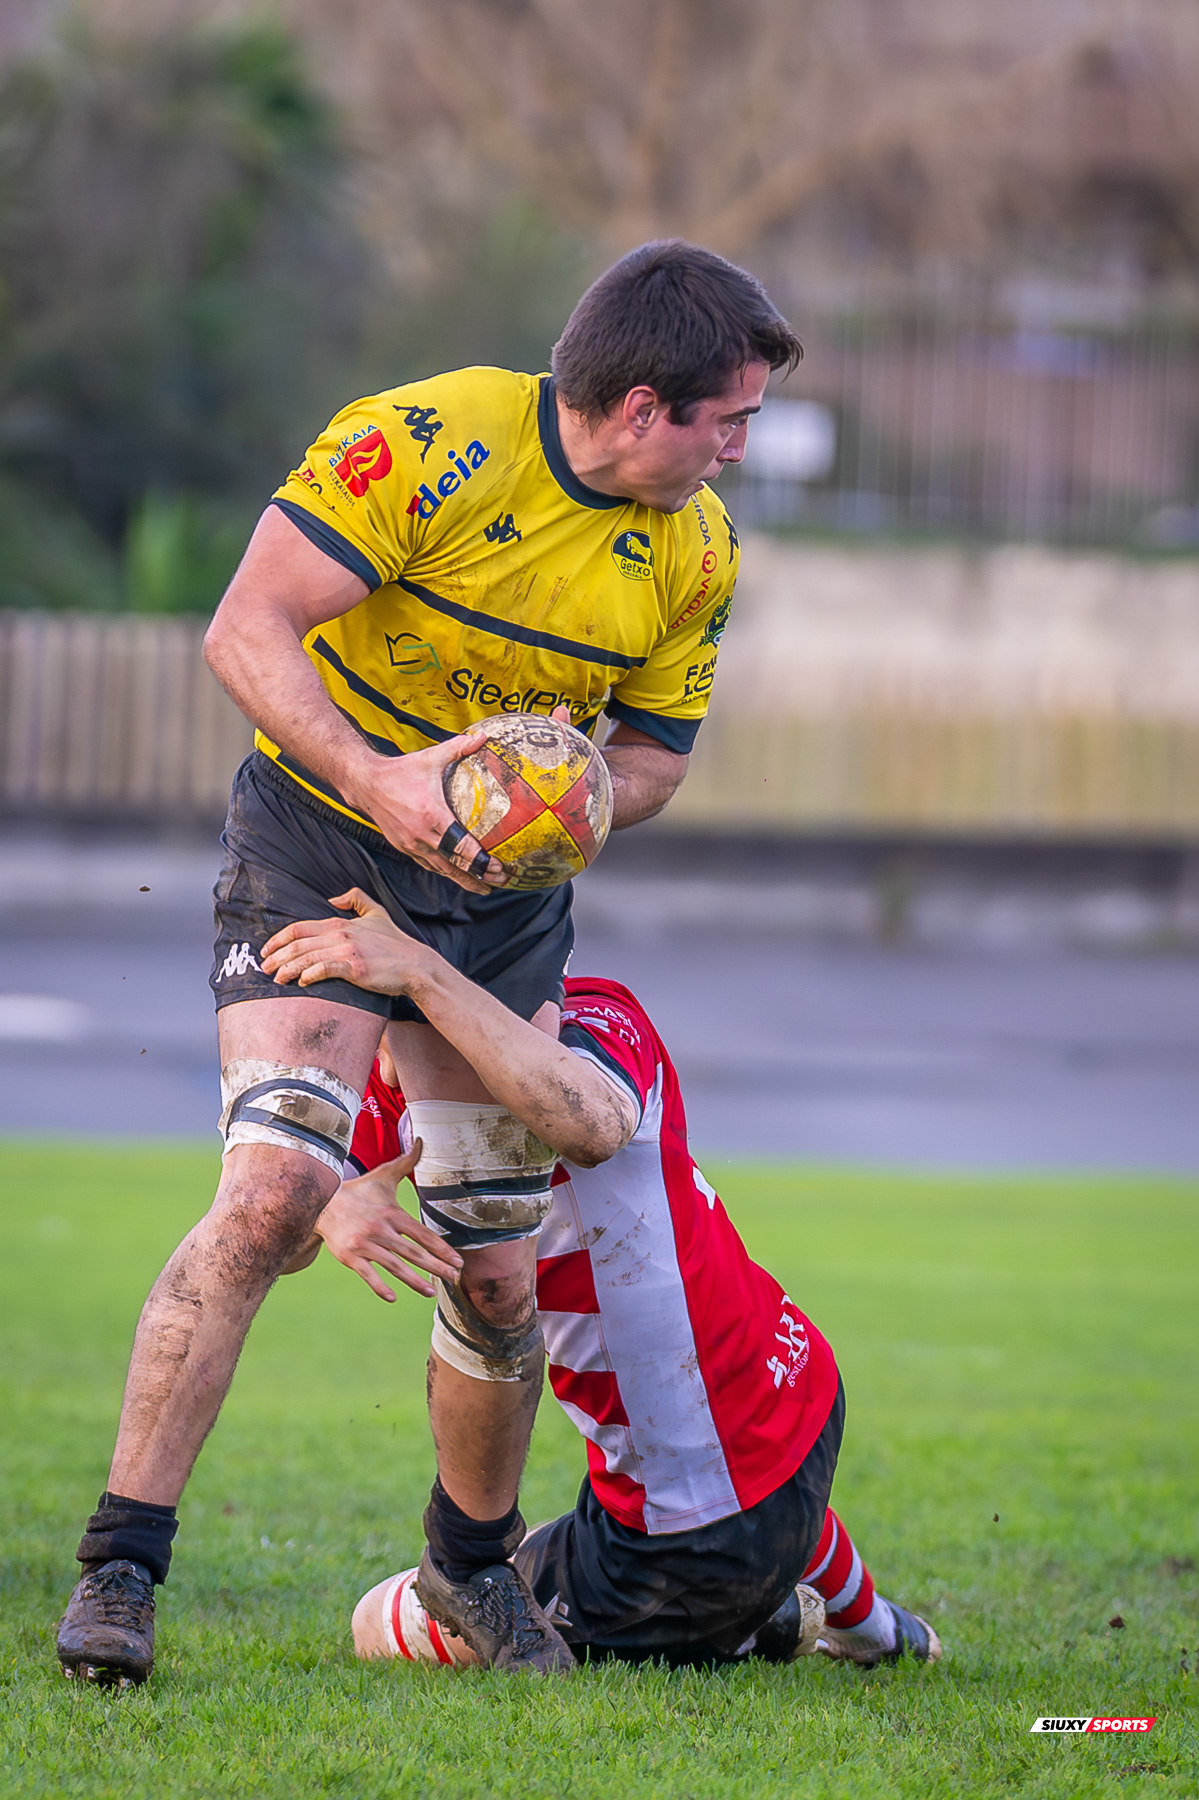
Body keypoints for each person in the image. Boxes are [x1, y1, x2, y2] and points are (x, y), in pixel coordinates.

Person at [56, 241, 804, 1686]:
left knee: (495, 1263)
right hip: (319, 832)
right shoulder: (429, 440)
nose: (737, 447)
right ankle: (121, 1568)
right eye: (729, 418)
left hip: (500, 905)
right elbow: (244, 626)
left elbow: (651, 761)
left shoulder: (694, 548)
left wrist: (569, 799)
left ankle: (470, 1573)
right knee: (274, 1190)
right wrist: (390, 781)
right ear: (641, 406)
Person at [268, 893, 942, 1671]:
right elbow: (280, 1242)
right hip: (798, 1397)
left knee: (379, 1619)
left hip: (685, 1535)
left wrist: (420, 973)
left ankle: (760, 1621)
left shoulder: (595, 1022)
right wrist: (331, 1209)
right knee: (746, 1480)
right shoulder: (395, 1095)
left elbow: (589, 1124)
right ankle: (877, 1634)